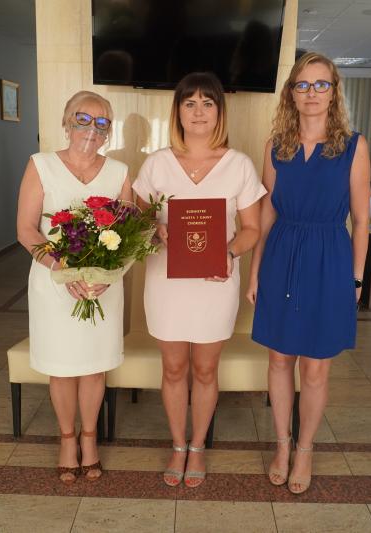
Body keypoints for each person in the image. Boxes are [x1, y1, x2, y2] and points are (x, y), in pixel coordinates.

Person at [133, 72, 266, 488]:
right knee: (173, 368)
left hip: (215, 284)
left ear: (219, 112)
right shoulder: (156, 163)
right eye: (189, 103)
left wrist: (227, 252)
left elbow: (252, 229)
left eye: (208, 103)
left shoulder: (239, 164)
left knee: (206, 370)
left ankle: (198, 446)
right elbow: (135, 222)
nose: (198, 112)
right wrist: (154, 229)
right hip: (167, 284)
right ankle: (178, 445)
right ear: (177, 112)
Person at [247, 52, 371, 495]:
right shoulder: (275, 146)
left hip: (329, 258)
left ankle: (305, 449)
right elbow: (266, 213)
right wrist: (256, 270)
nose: (312, 93)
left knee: (316, 367)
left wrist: (356, 279)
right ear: (291, 94)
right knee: (279, 359)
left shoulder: (353, 146)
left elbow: (361, 220)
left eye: (321, 85)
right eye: (303, 85)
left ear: (334, 92)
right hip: (282, 254)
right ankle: (282, 445)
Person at [16, 90, 132, 484]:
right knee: (62, 368)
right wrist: (62, 268)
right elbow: (26, 230)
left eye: (101, 123)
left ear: (108, 131)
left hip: (101, 288)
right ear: (67, 122)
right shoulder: (41, 165)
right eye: (83, 119)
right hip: (53, 283)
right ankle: (67, 439)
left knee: (94, 367)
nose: (91, 129)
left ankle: (89, 438)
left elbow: (129, 235)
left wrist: (107, 276)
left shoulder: (120, 172)